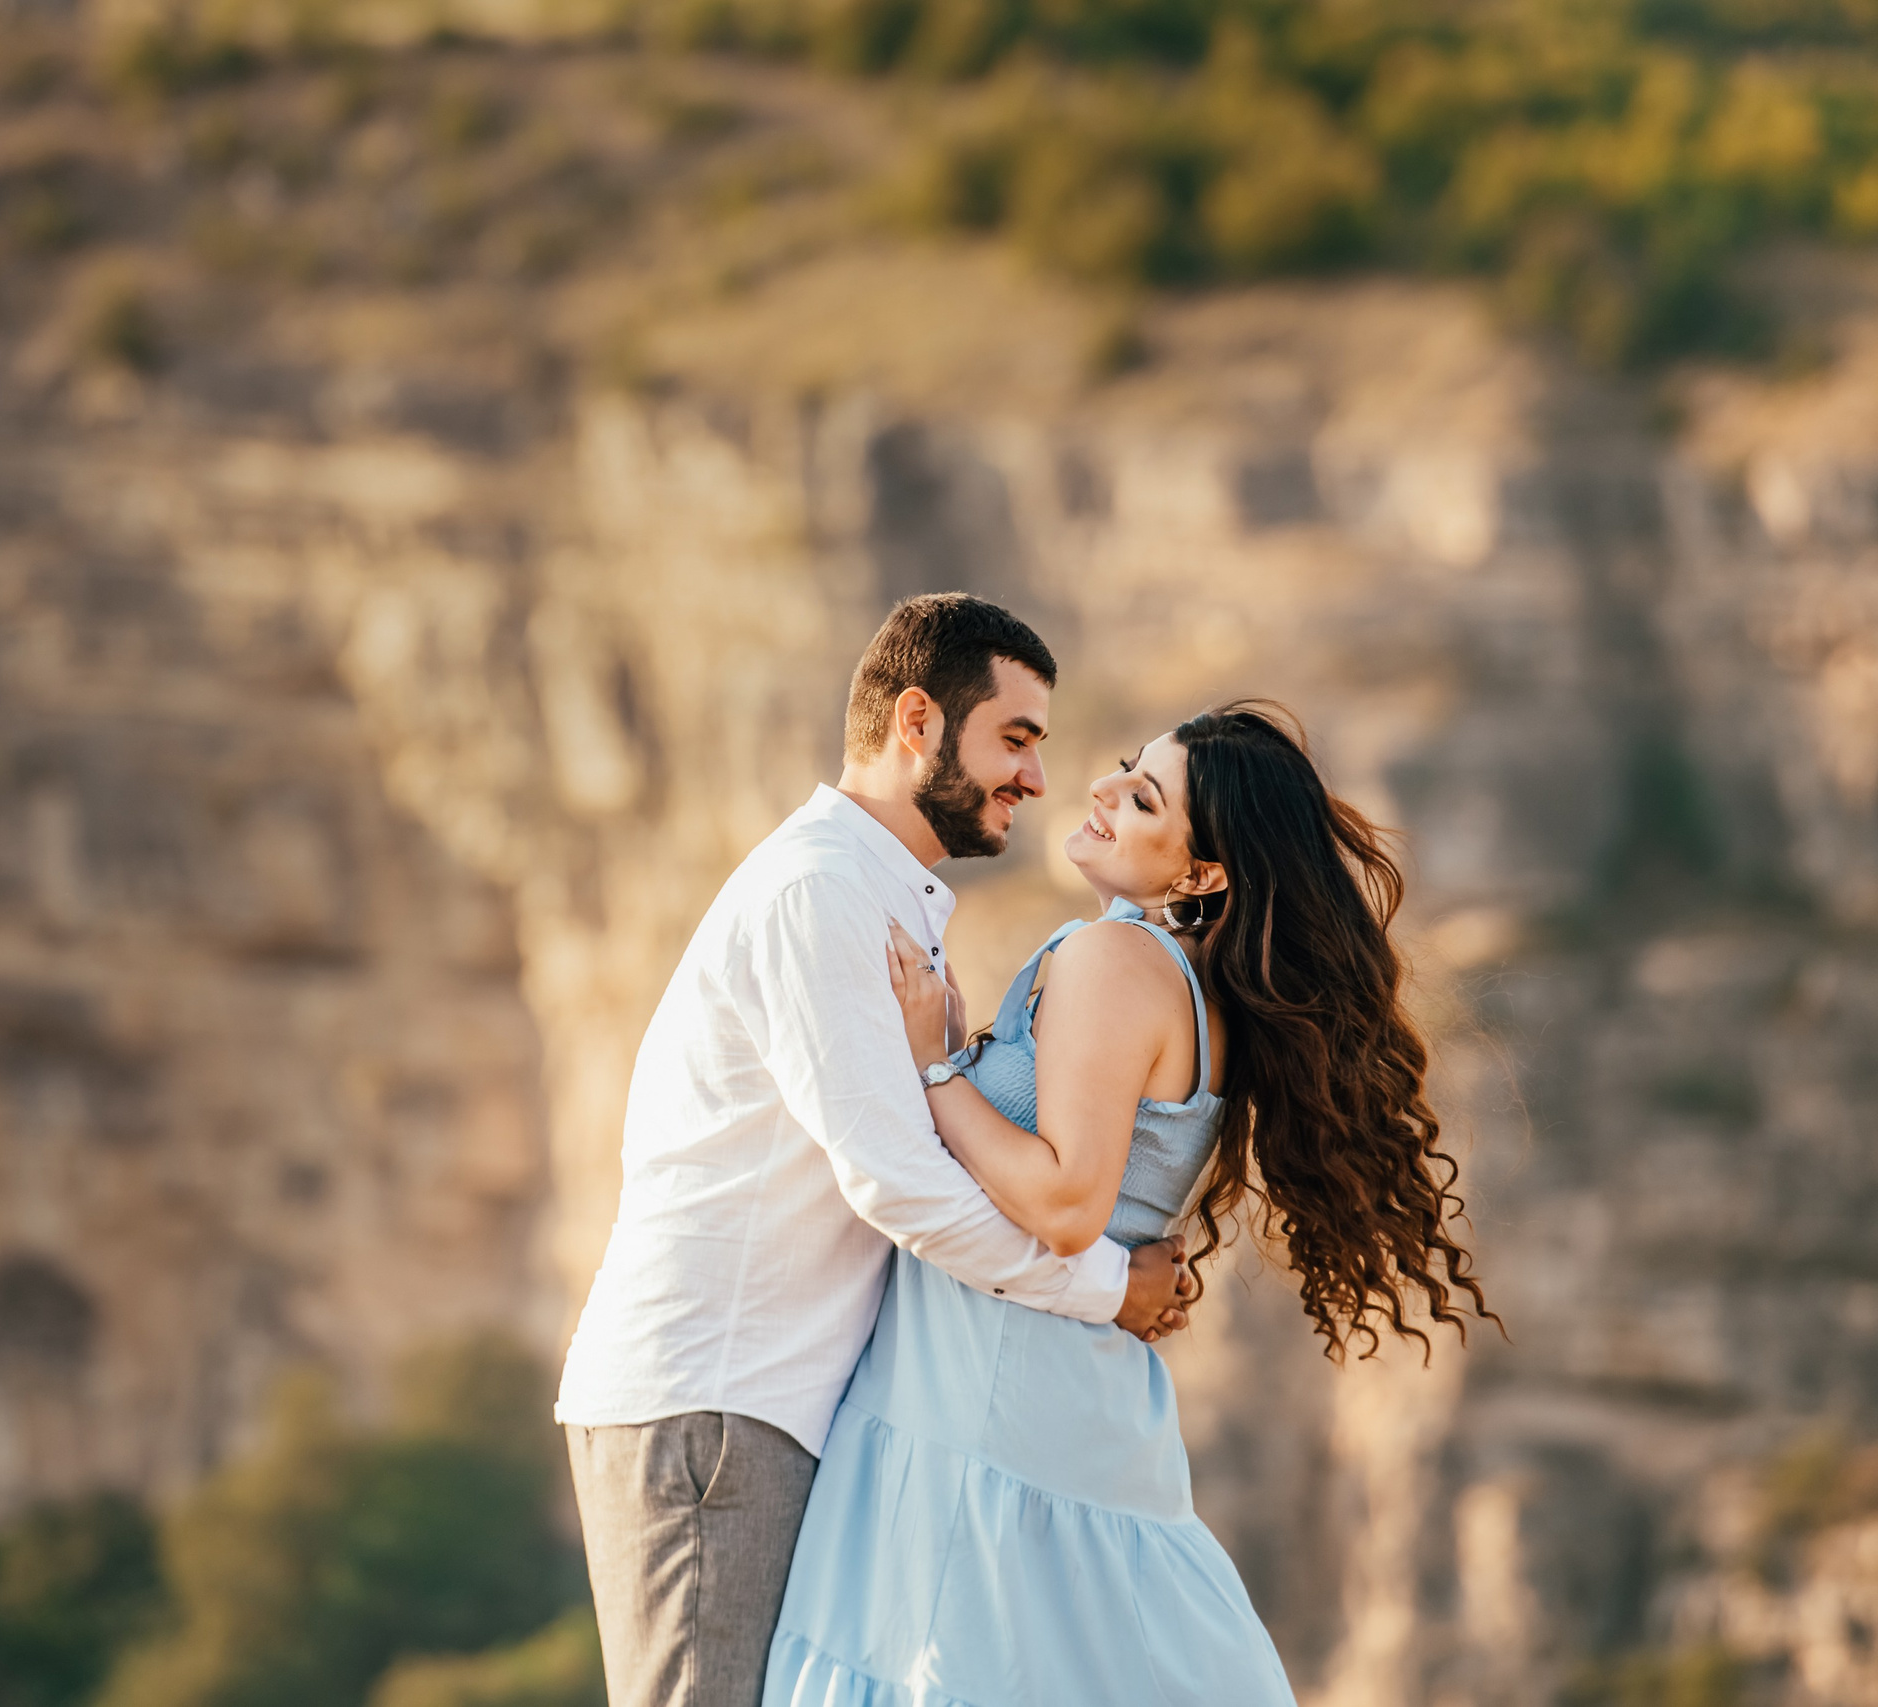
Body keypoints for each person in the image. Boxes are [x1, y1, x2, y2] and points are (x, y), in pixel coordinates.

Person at [760, 701, 1498, 1706]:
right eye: (1121, 769)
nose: (1101, 790)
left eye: (1143, 797)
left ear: (1201, 876)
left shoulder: (1119, 962)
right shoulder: (1180, 980)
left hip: (989, 1402)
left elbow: (1065, 1203)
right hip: (1042, 1400)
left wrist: (938, 1068)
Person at [555, 594, 1197, 1707]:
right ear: (916, 722)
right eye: (1015, 740)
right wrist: (1108, 1290)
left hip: (767, 1406)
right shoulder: (820, 893)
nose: (1036, 781)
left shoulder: (881, 895)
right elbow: (898, 1185)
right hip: (714, 1405)